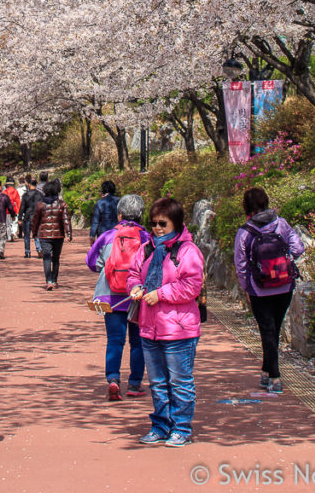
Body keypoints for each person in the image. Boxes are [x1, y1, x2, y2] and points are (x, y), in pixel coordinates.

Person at [127, 197, 204, 448]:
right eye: (154, 223)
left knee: (180, 382)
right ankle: (160, 425)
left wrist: (160, 294)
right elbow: (133, 274)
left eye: (163, 223)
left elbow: (191, 286)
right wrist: (136, 287)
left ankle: (181, 427)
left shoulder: (187, 251)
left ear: (176, 223)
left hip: (179, 329)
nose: (157, 228)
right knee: (158, 382)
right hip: (149, 327)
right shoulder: (146, 248)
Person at [233, 186, 304, 393]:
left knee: (268, 330)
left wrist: (247, 287)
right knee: (274, 328)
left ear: (246, 208)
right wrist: (285, 261)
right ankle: (266, 371)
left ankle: (274, 377)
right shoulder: (281, 224)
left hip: (260, 289)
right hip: (284, 285)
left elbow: (241, 265)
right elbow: (298, 248)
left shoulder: (245, 232)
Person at [86, 194, 149, 400]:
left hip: (109, 296)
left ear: (119, 214)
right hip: (138, 296)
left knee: (114, 340)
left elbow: (91, 262)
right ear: (141, 214)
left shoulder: (107, 236)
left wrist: (109, 270)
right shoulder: (147, 238)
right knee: (138, 342)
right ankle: (135, 383)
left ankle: (113, 379)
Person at [31, 179, 72, 290]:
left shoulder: (40, 205)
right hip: (58, 235)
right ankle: (54, 280)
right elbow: (66, 220)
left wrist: (34, 233)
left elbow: (35, 220)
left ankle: (48, 281)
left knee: (47, 258)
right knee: (56, 258)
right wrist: (69, 234)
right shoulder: (62, 204)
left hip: (44, 235)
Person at [18, 178, 43, 259]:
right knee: (36, 234)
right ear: (36, 185)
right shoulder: (40, 195)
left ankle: (27, 252)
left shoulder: (25, 195)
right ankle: (39, 249)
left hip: (27, 216)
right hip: (37, 217)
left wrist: (19, 218)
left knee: (26, 236)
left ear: (29, 185)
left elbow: (22, 207)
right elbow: (42, 206)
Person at [90, 180, 119, 244]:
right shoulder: (120, 201)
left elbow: (95, 222)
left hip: (103, 235)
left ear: (103, 190)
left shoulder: (100, 203)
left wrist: (92, 235)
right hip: (118, 234)